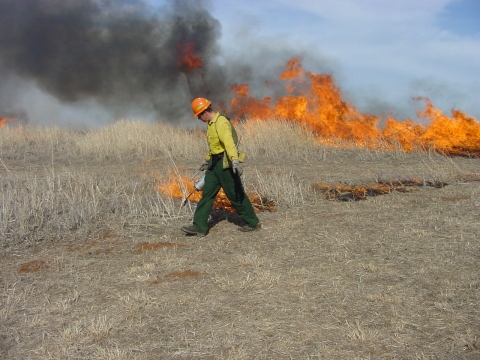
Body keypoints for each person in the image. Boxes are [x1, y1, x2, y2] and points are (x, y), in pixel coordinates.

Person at [181, 98, 261, 237]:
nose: (199, 118)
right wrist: (207, 161)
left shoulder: (221, 122)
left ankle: (252, 222)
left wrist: (235, 161)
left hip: (225, 164)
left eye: (199, 115)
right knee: (207, 194)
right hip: (214, 164)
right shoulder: (211, 124)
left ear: (205, 112)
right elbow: (214, 147)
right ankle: (199, 227)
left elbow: (229, 143)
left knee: (235, 195)